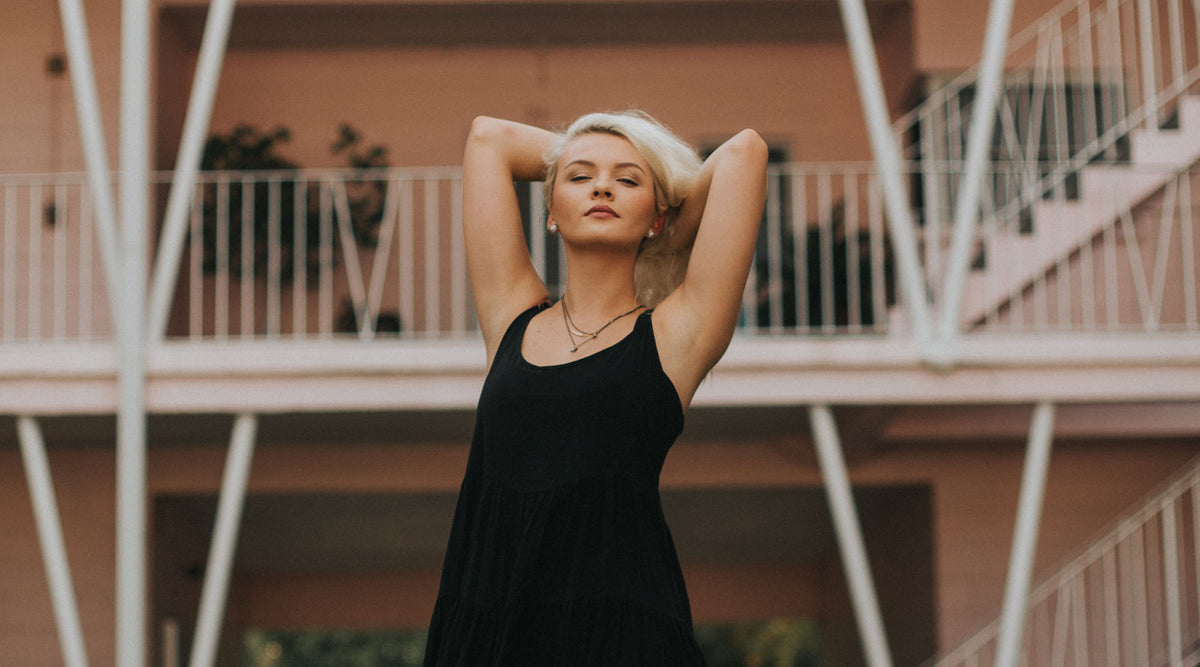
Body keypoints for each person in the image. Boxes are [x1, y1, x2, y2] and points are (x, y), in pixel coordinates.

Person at [423, 110, 767, 665]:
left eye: (627, 180)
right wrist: (597, 161)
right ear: (551, 212)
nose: (602, 187)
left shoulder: (675, 337)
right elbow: (489, 138)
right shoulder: (511, 315)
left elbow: (744, 152)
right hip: (488, 618)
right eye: (580, 177)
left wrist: (674, 228)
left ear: (655, 215)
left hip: (620, 630)